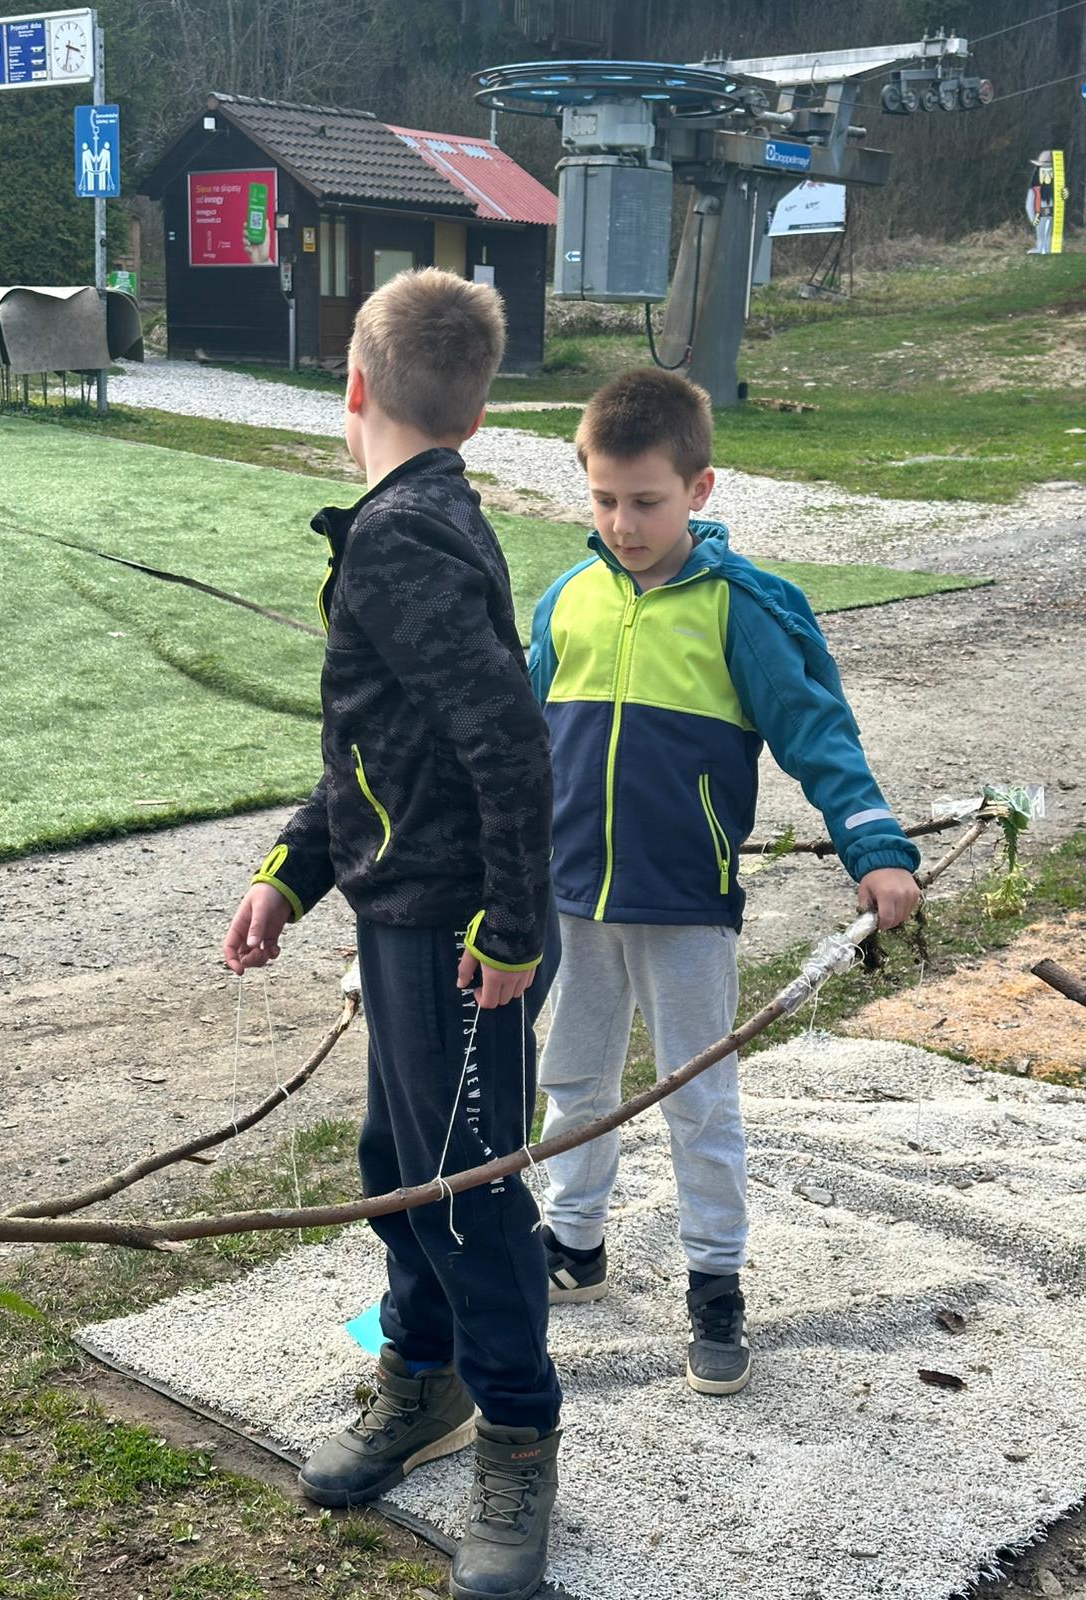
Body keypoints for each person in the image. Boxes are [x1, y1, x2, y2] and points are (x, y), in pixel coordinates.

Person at [223, 267, 561, 1600]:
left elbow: (509, 747)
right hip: (407, 915)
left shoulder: (400, 540)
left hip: (461, 935)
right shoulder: (416, 519)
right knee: (397, 1164)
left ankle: (519, 1435)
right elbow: (381, 747)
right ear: (475, 414)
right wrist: (292, 874)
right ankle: (425, 1381)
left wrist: (513, 928)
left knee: (467, 1193)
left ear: (351, 386)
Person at [527, 367, 921, 1398]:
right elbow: (520, 744)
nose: (623, 524)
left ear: (699, 489)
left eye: (646, 501)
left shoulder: (744, 609)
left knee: (698, 1097)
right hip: (573, 900)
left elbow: (820, 736)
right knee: (572, 1077)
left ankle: (714, 1281)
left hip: (685, 905)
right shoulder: (566, 600)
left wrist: (877, 848)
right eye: (604, 499)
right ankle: (573, 1241)